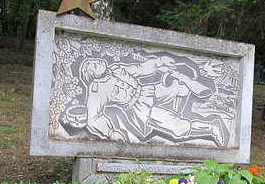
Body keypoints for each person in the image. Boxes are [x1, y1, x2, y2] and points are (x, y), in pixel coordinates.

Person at [78, 56, 225, 146]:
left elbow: (141, 68)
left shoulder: (115, 69)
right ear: (93, 73)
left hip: (148, 90)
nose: (99, 61)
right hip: (139, 107)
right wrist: (111, 132)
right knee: (177, 126)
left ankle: (181, 109)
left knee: (181, 87)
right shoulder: (97, 88)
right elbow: (94, 118)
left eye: (96, 61)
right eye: (95, 64)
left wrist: (159, 61)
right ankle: (211, 128)